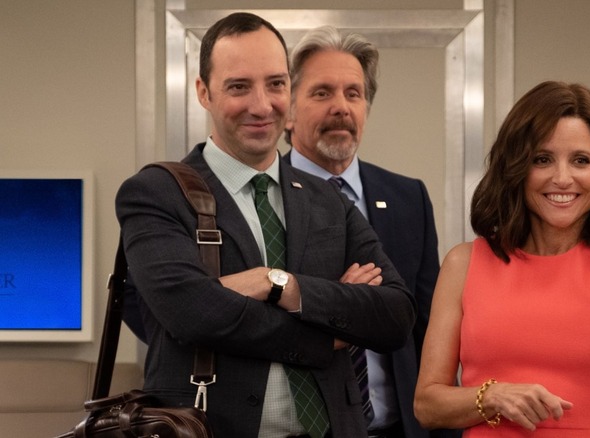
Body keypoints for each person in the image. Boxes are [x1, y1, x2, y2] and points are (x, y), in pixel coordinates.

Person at [115, 12, 416, 438]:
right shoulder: (156, 193)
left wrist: (278, 285)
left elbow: (395, 315)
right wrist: (330, 331)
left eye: (275, 84)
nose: (261, 105)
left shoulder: (328, 199)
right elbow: (191, 314)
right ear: (204, 92)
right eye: (239, 87)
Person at [413, 80, 590, 437]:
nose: (563, 178)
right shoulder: (464, 263)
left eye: (581, 160)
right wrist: (491, 396)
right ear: (516, 168)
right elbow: (427, 405)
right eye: (543, 159)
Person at [283, 25, 459, 438]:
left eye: (354, 94)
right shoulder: (261, 194)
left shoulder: (408, 198)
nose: (341, 107)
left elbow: (429, 332)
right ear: (288, 111)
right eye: (322, 93)